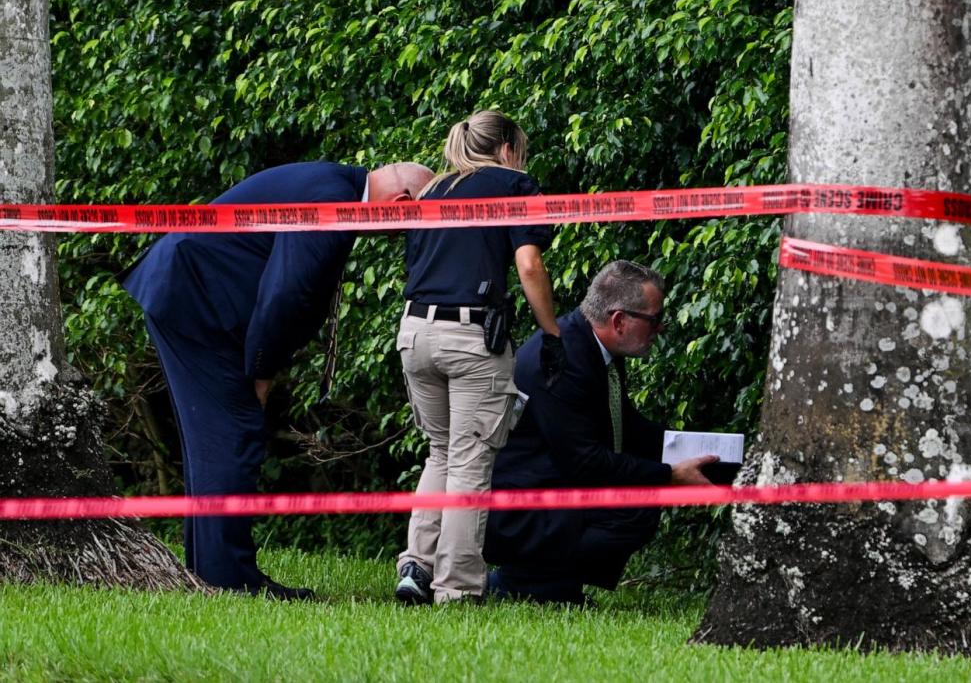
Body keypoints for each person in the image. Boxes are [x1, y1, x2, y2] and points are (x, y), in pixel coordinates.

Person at [123, 160, 433, 599]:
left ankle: (210, 572)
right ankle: (228, 582)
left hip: (193, 295)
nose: (397, 238)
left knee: (213, 439)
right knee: (233, 434)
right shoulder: (334, 201)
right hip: (196, 303)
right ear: (400, 206)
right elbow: (286, 292)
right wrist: (262, 372)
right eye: (408, 226)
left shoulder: (336, 182)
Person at [394, 110, 563, 606]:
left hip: (415, 331)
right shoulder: (514, 184)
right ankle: (458, 589)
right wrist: (551, 334)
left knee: (441, 452)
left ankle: (417, 568)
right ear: (508, 147)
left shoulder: (432, 190)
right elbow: (528, 264)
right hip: (470, 336)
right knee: (470, 460)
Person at [482, 260, 717, 605]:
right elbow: (585, 461)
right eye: (653, 320)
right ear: (620, 321)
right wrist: (669, 477)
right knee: (636, 508)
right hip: (519, 512)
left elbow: (627, 426)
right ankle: (530, 584)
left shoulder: (592, 345)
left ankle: (548, 584)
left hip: (551, 489)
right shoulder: (565, 361)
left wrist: (705, 450)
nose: (660, 328)